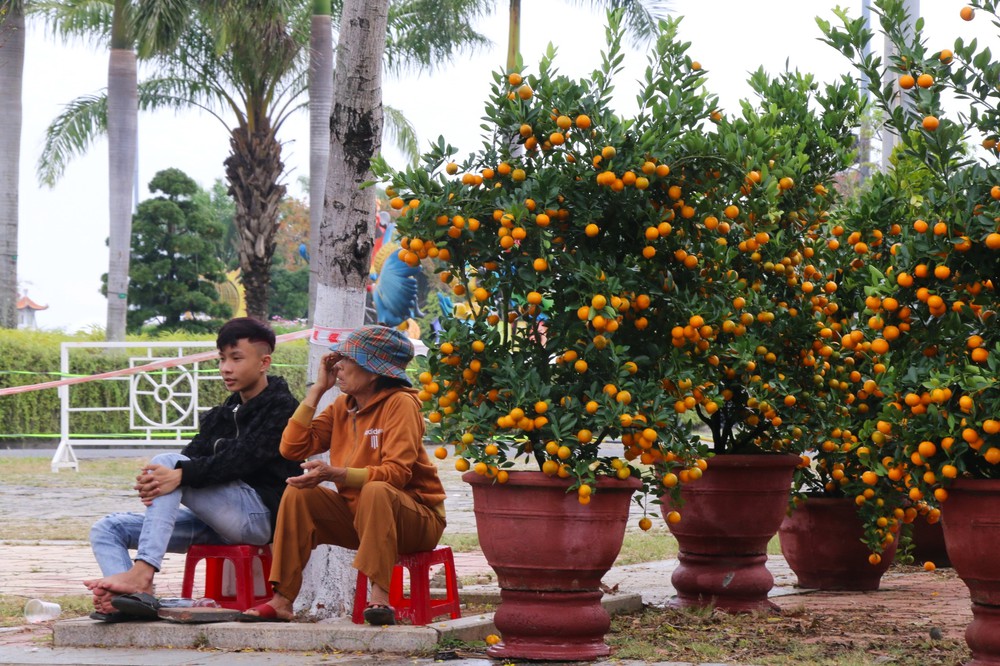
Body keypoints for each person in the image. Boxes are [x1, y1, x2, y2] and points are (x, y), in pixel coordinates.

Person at [84, 317, 301, 620]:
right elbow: (191, 458)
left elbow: (241, 458)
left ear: (264, 362)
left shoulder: (283, 408)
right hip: (214, 523)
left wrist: (177, 475)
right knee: (108, 528)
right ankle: (131, 599)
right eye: (222, 358)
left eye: (236, 358)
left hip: (259, 518)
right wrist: (158, 483)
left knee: (168, 463)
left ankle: (143, 572)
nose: (226, 367)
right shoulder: (222, 414)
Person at [238, 325, 446, 625]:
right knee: (299, 494)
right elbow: (291, 448)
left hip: (416, 519)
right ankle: (282, 600)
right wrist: (317, 390)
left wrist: (335, 474)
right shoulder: (341, 407)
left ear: (373, 371)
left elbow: (397, 474)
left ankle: (380, 598)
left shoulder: (401, 403)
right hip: (361, 517)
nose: (338, 366)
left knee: (377, 489)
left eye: (348, 360)